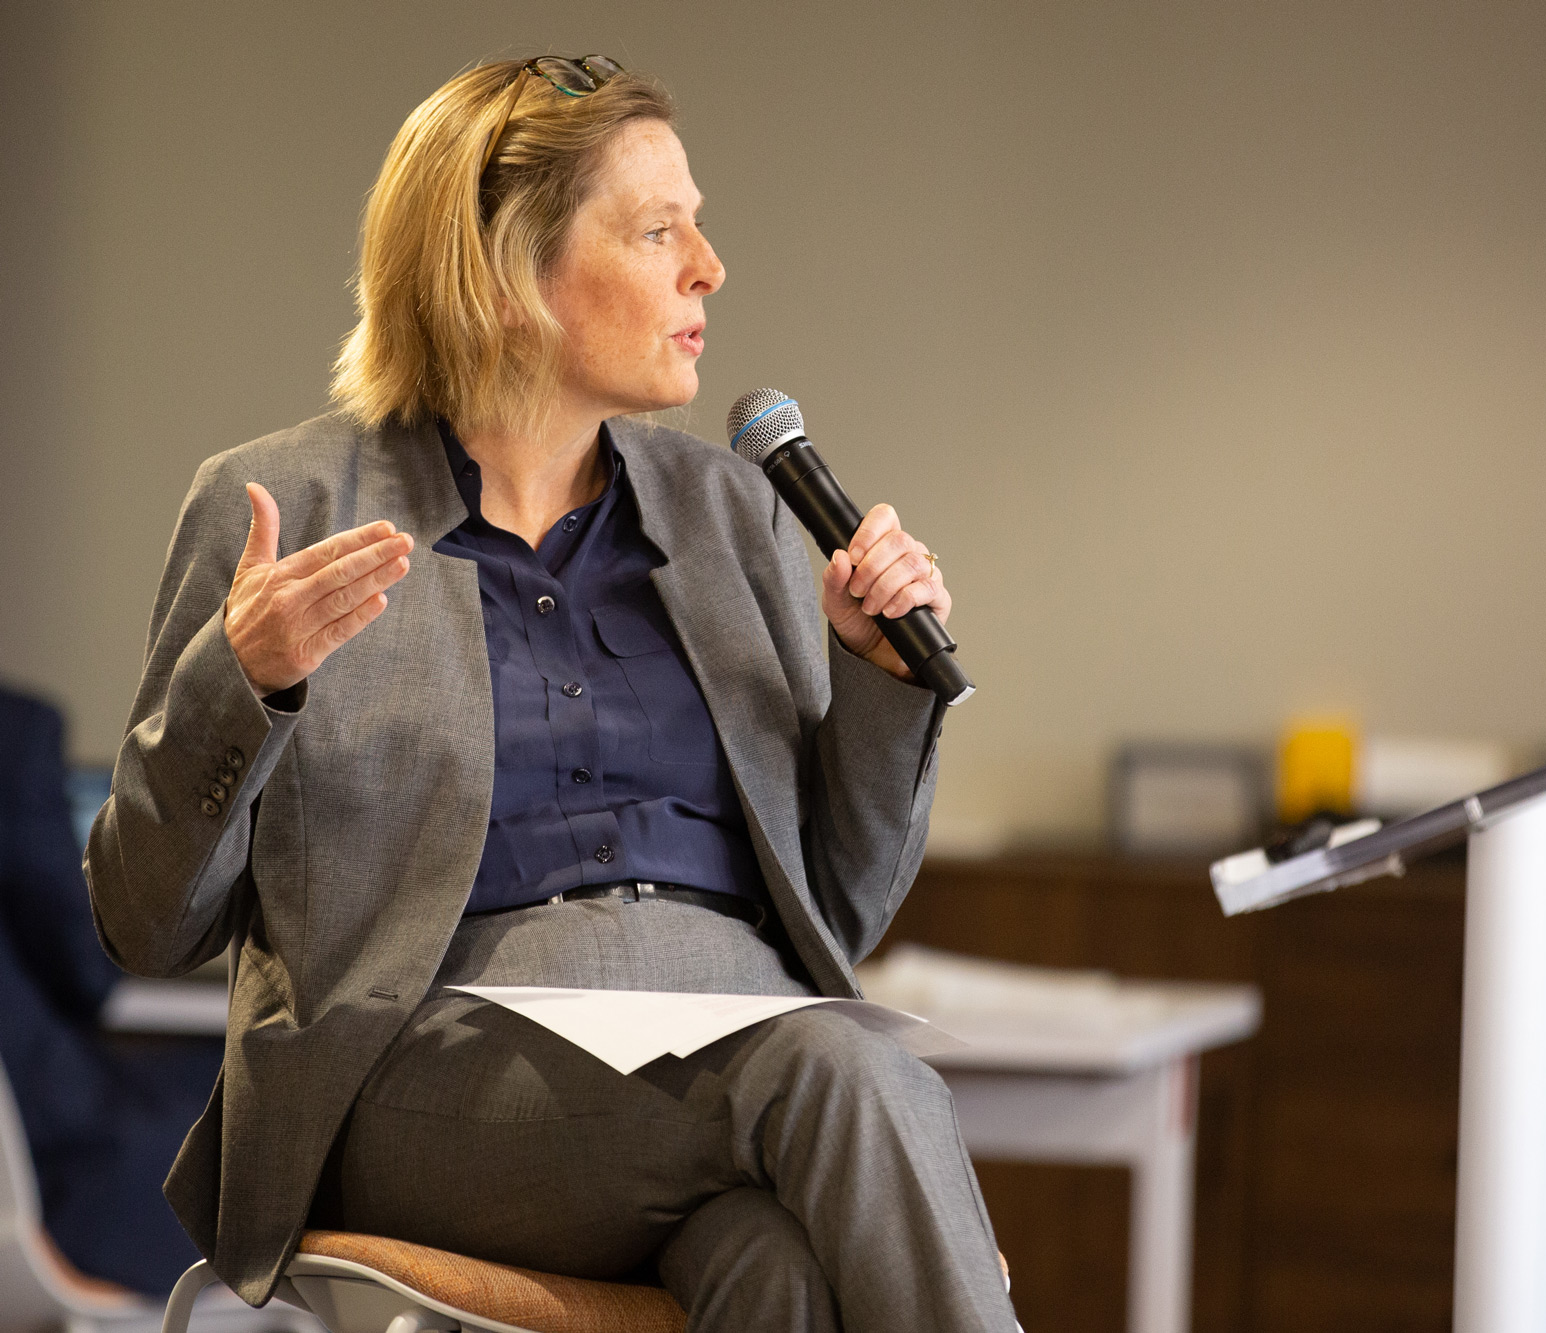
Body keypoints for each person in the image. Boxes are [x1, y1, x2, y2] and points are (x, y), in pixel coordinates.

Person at [85, 55, 1015, 1331]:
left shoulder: (731, 513)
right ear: (506, 271)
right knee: (850, 1070)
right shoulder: (286, 508)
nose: (707, 265)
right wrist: (239, 684)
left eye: (696, 221)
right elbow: (147, 924)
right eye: (655, 230)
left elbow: (840, 909)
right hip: (433, 1069)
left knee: (773, 1273)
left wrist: (873, 677)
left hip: (739, 1044)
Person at [0, 687, 223, 1296]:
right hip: (53, 1167)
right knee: (259, 1106)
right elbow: (84, 970)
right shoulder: (14, 733)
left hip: (36, 1130)